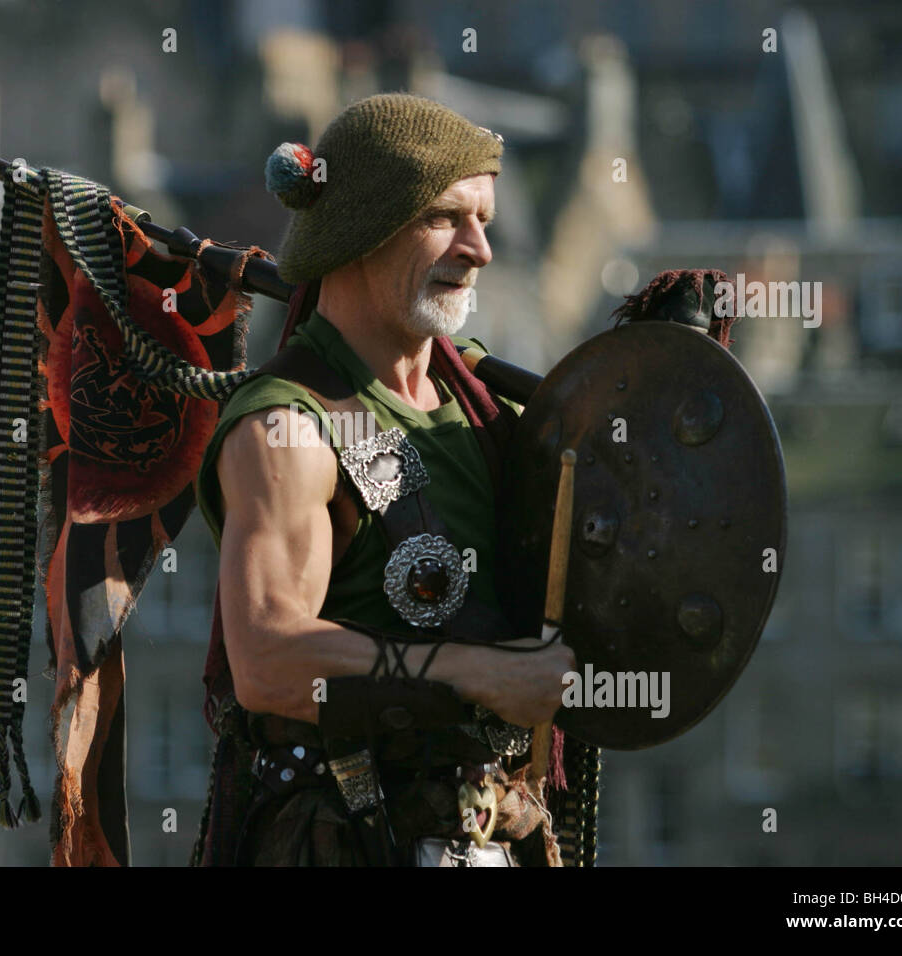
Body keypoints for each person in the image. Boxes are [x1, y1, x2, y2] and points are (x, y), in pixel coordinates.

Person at [193, 93, 576, 867]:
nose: (479, 249)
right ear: (359, 230)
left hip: (491, 833)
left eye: (485, 220)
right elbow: (267, 662)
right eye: (444, 218)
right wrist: (484, 674)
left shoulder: (490, 417)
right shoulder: (287, 428)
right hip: (341, 842)